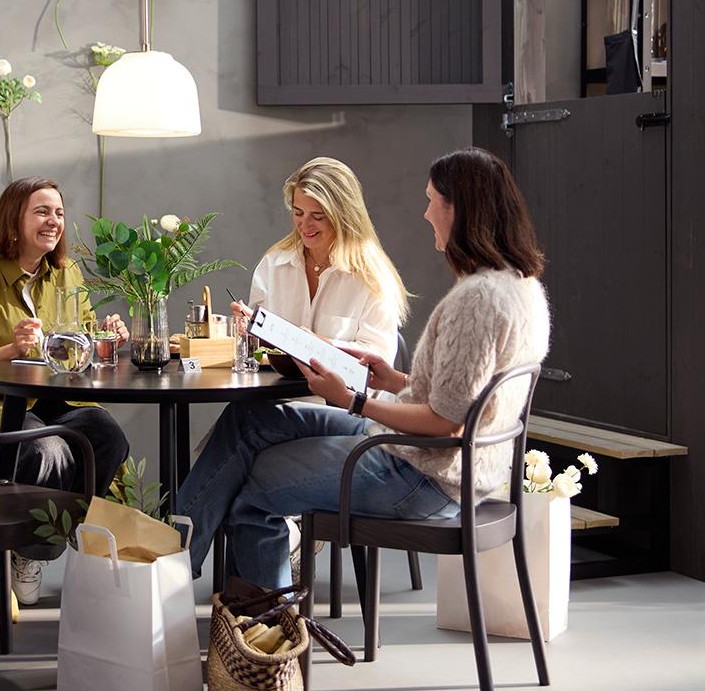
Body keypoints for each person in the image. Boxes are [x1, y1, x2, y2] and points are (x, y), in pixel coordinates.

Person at [178, 148, 550, 589]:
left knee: (249, 487)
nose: (426, 212)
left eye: (433, 200)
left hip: (422, 475)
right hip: (432, 460)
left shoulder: (477, 300)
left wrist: (356, 398)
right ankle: (182, 568)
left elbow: (446, 425)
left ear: (461, 209)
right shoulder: (521, 288)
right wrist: (396, 381)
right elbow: (467, 400)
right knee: (247, 421)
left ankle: (248, 621)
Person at [0, 176, 130, 605]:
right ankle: (32, 552)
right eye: (42, 211)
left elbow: (77, 341)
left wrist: (105, 334)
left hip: (57, 396)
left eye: (59, 213)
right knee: (45, 449)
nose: (54, 221)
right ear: (13, 219)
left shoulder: (65, 273)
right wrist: (9, 348)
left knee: (105, 434)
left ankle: (50, 544)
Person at [231, 156, 409, 361]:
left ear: (344, 218)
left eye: (317, 216)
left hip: (347, 394)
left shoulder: (372, 279)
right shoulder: (273, 266)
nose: (305, 226)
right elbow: (258, 354)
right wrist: (249, 330)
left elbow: (379, 362)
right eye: (298, 213)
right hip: (281, 392)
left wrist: (318, 345)